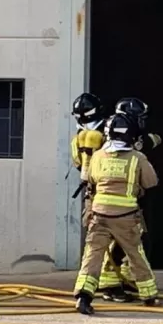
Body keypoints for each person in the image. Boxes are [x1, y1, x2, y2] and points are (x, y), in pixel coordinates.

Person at [73, 113, 161, 315]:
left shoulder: (98, 156)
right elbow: (151, 182)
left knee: (92, 255)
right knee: (136, 255)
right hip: (125, 218)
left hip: (99, 215)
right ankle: (148, 295)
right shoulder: (137, 158)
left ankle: (84, 296)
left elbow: (91, 181)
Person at [98, 97, 162, 302]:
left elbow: (152, 141)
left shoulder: (132, 139)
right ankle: (109, 283)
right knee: (115, 242)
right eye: (140, 118)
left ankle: (123, 278)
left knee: (135, 241)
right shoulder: (112, 142)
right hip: (115, 203)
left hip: (129, 201)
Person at [70, 93, 107, 230]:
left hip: (95, 188)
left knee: (94, 227)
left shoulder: (80, 136)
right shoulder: (108, 130)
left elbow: (77, 163)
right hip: (104, 186)